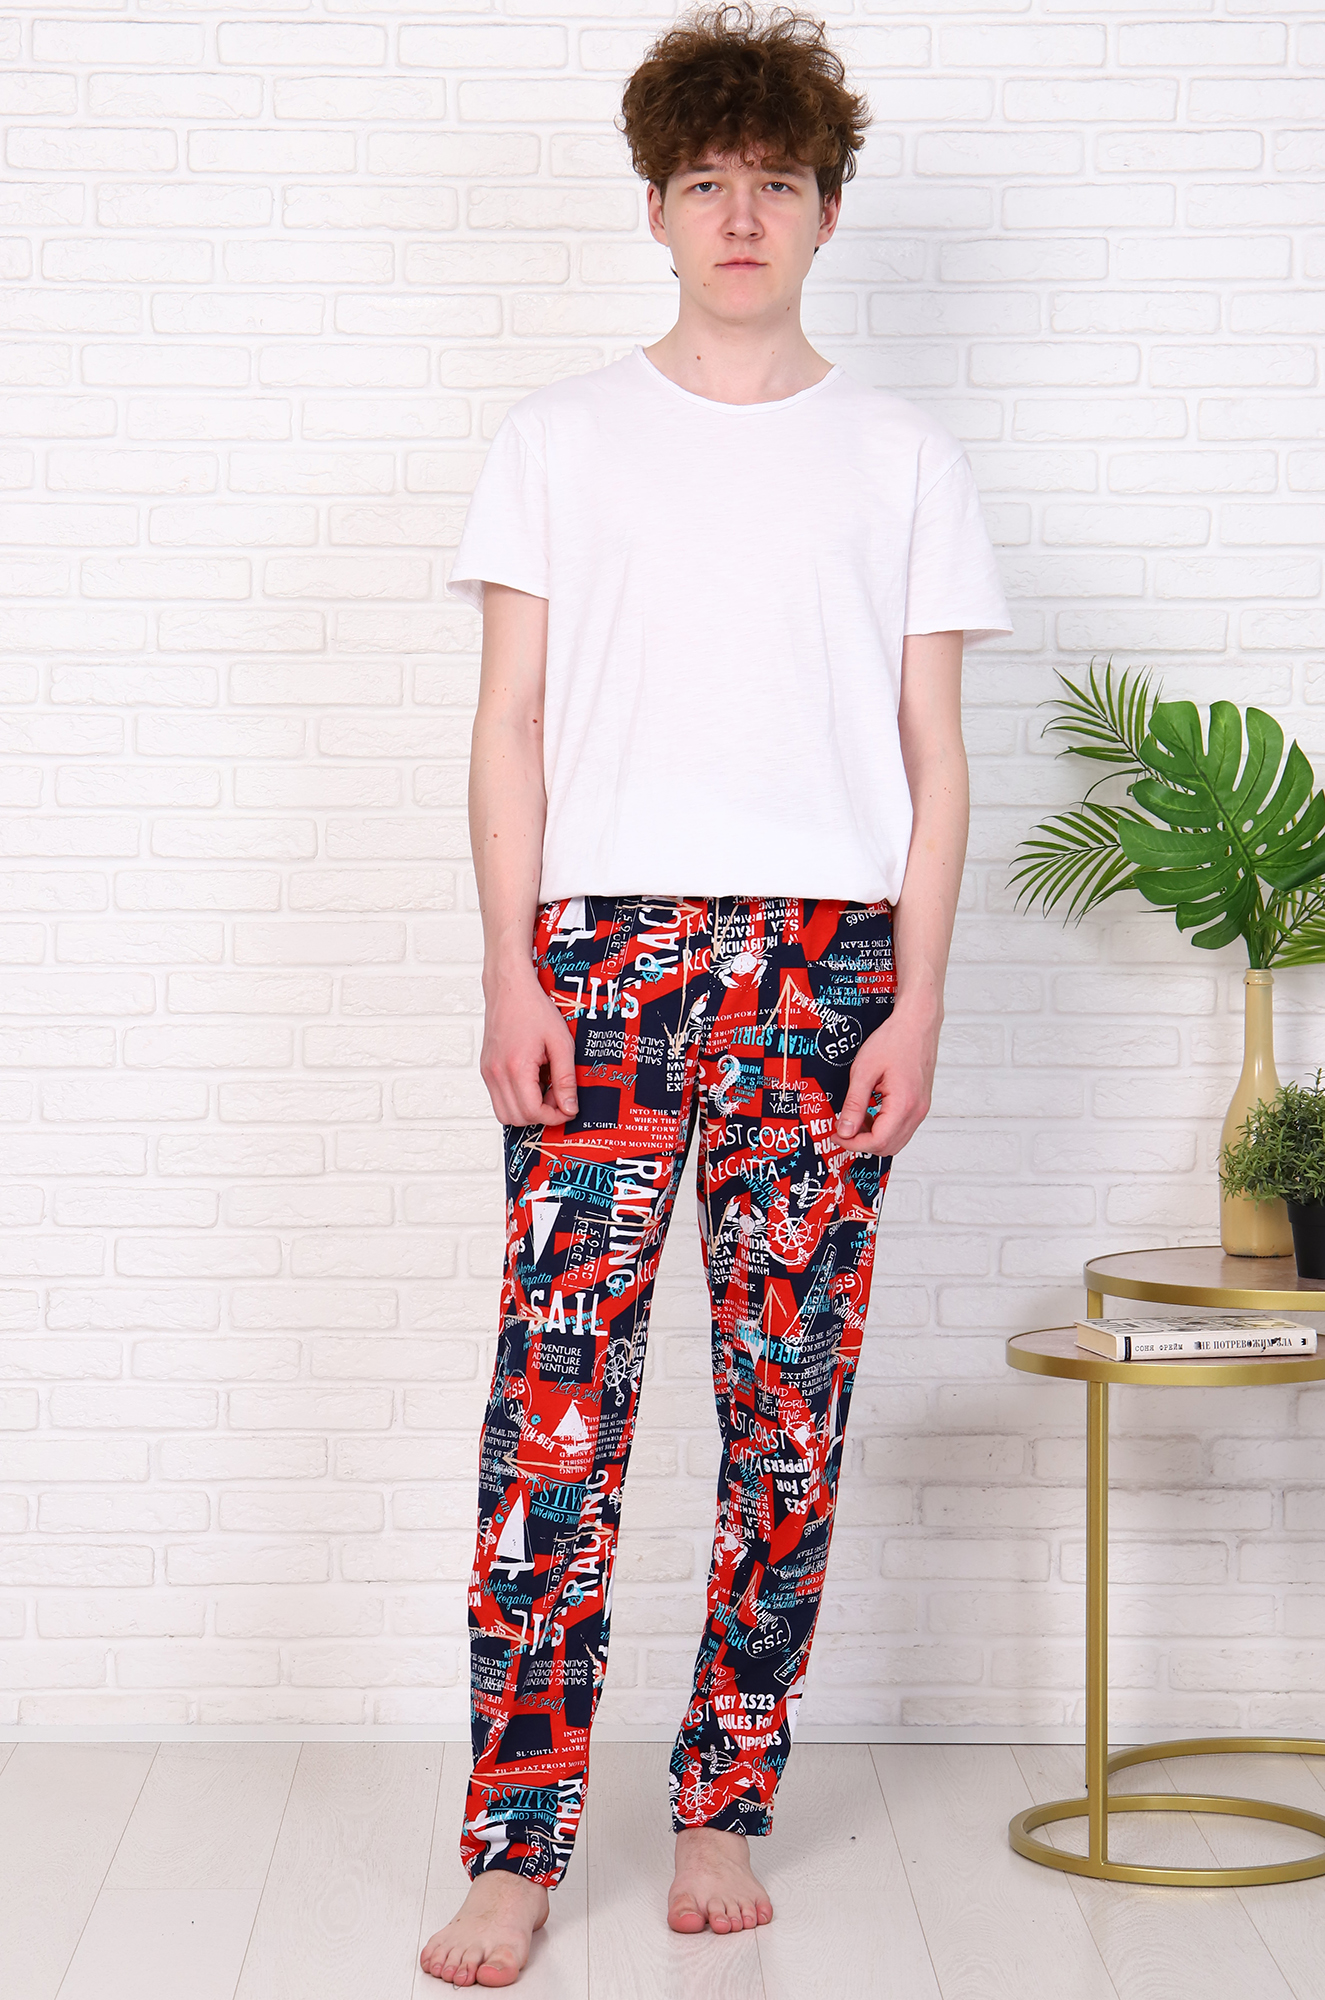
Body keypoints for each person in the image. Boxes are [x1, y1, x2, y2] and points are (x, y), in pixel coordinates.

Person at [420, 3, 1012, 1985]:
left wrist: (917, 1004)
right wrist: (508, 965)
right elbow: (509, 727)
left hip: (827, 972)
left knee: (785, 1412)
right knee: (556, 1417)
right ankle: (515, 1843)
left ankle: (720, 1803)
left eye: (775, 182)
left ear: (827, 210)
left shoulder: (903, 456)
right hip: (602, 961)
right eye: (704, 182)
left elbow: (935, 759)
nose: (739, 214)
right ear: (657, 209)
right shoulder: (558, 441)